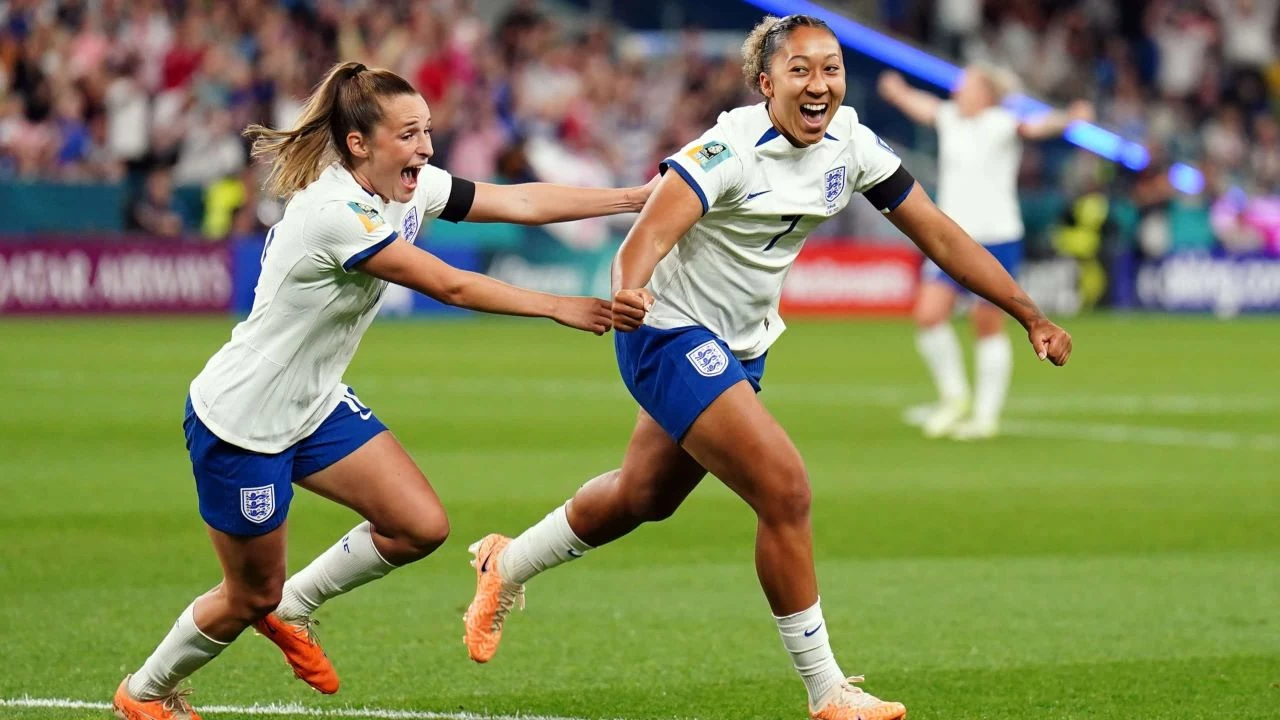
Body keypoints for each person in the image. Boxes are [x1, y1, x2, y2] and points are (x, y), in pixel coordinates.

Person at [462, 15, 1071, 720]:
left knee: (642, 497)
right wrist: (628, 284)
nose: (820, 85)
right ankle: (827, 691)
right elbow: (648, 233)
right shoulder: (728, 148)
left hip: (743, 345)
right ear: (766, 83)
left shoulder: (853, 143)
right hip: (666, 330)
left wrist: (1029, 312)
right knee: (785, 489)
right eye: (801, 71)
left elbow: (938, 233)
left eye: (832, 69)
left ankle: (503, 564)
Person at [111, 61, 656, 720]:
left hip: (312, 405)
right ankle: (144, 693)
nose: (425, 148)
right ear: (358, 144)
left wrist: (631, 198)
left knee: (418, 526)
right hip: (243, 421)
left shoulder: (409, 188)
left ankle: (297, 606)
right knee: (247, 595)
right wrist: (559, 305)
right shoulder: (333, 212)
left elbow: (519, 200)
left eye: (426, 131)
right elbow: (448, 284)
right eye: (408, 135)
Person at [878, 65, 1092, 439]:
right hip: (950, 239)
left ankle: (985, 416)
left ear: (987, 95)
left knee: (986, 324)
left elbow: (1037, 126)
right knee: (928, 315)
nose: (959, 91)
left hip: (996, 237)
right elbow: (924, 105)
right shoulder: (949, 118)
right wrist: (898, 93)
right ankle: (954, 397)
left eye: (968, 86)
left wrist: (1069, 119)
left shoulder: (1001, 123)